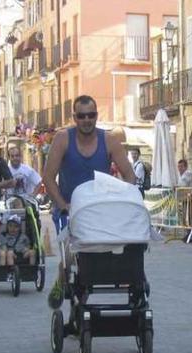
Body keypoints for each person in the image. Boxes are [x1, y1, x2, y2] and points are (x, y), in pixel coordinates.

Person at [43, 95, 136, 308]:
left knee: (95, 255)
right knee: (71, 255)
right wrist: (61, 203)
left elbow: (130, 176)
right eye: (82, 116)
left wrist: (121, 198)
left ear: (96, 115)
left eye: (91, 115)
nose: (87, 120)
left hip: (99, 209)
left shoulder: (110, 140)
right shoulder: (63, 139)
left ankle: (82, 300)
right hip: (70, 208)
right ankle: (61, 278)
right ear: (74, 117)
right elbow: (48, 177)